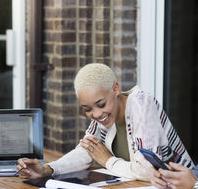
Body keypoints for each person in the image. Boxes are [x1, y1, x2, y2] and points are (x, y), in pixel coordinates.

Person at [17, 63, 194, 181]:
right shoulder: (104, 117)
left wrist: (108, 160)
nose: (96, 114)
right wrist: (47, 170)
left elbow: (147, 170)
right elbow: (87, 152)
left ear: (115, 89)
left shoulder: (141, 104)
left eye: (101, 104)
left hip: (182, 187)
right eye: (87, 109)